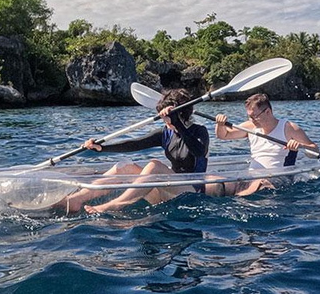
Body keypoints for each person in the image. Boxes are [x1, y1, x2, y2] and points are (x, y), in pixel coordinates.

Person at [62, 88, 209, 213]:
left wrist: (177, 123)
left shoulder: (200, 132)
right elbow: (134, 144)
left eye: (168, 118)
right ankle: (76, 199)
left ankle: (115, 205)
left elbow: (199, 152)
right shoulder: (165, 133)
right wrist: (101, 148)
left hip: (191, 193)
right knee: (124, 167)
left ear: (180, 114)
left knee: (154, 165)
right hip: (168, 190)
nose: (165, 121)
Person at [209, 92, 319, 197]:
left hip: (279, 178)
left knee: (262, 184)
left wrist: (300, 146)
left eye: (254, 116)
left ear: (268, 112)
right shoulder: (250, 126)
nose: (251, 120)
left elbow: (315, 152)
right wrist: (220, 125)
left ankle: (242, 199)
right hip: (252, 177)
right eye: (249, 116)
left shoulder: (289, 128)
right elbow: (224, 135)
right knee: (217, 185)